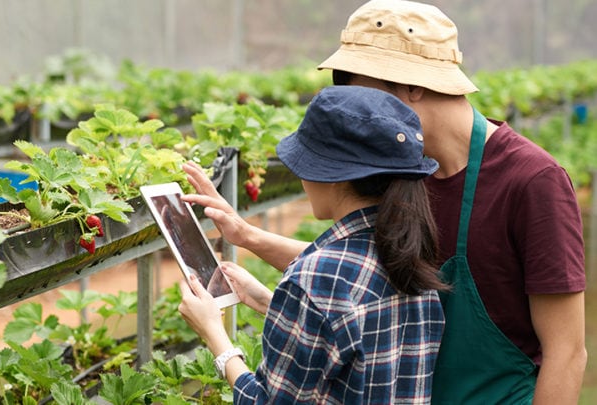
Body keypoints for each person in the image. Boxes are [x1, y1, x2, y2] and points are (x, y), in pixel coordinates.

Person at [186, 0, 588, 403]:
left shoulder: (532, 181)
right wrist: (248, 237)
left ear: (413, 84)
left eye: (357, 88)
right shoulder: (402, 172)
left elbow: (566, 352)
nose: (353, 108)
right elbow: (364, 273)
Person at [179, 85, 448, 403]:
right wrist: (270, 300)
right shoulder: (411, 253)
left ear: (333, 175)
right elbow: (350, 341)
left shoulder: (316, 279)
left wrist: (214, 335)